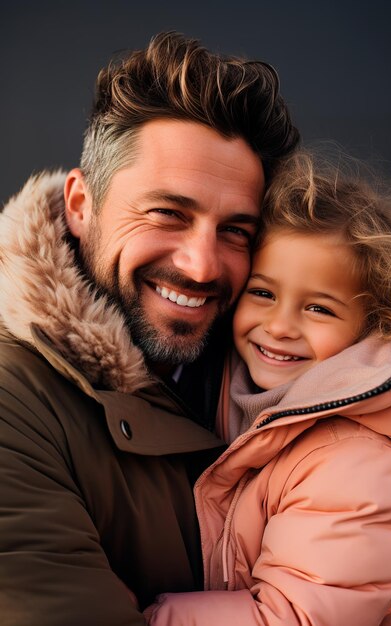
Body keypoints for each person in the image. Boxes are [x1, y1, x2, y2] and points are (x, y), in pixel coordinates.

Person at [0, 31, 299, 626]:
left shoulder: (276, 370)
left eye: (235, 230)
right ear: (81, 205)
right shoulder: (13, 403)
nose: (202, 265)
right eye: (168, 214)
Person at [145, 150, 391, 626]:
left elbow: (293, 619)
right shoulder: (240, 396)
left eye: (319, 309)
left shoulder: (355, 463)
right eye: (264, 293)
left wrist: (148, 616)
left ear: (373, 326)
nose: (280, 326)